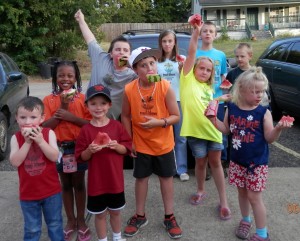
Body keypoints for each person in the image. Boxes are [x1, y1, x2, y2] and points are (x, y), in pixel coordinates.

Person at [206, 66, 293, 241]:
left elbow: (269, 138)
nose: (259, 95)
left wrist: (277, 129)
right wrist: (212, 120)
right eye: (254, 91)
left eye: (261, 91)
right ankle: (245, 220)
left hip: (257, 163)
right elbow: (226, 130)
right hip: (237, 161)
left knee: (254, 197)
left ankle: (262, 233)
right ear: (241, 90)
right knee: (242, 193)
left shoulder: (263, 112)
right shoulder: (232, 108)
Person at [121, 47, 182, 239]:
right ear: (135, 69)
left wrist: (160, 122)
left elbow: (176, 116)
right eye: (143, 65)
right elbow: (125, 115)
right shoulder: (130, 89)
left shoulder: (164, 86)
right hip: (141, 143)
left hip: (163, 143)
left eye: (152, 63)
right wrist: (129, 140)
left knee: (166, 179)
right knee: (141, 179)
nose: (149, 68)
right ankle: (140, 215)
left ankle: (169, 216)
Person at [180, 22, 231, 220]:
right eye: (201, 68)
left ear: (212, 74)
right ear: (193, 68)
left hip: (213, 130)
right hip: (195, 133)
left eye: (208, 70)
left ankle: (224, 201)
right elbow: (192, 51)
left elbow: (208, 104)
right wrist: (196, 32)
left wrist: (220, 99)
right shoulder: (187, 79)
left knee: (216, 163)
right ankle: (201, 191)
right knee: (200, 164)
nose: (204, 72)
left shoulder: (209, 89)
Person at [42, 61, 92, 241]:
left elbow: (90, 124)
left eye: (70, 76)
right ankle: (70, 220)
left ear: (76, 77)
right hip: (59, 149)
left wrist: (71, 117)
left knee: (79, 184)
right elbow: (45, 127)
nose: (66, 79)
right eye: (61, 75)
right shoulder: (49, 100)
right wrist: (62, 107)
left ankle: (81, 220)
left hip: (79, 147)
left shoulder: (82, 98)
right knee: (65, 185)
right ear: (55, 77)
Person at [75, 84, 132, 241]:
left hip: (115, 182)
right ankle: (102, 239)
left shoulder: (117, 126)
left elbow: (126, 149)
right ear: (86, 106)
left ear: (109, 105)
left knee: (115, 212)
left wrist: (117, 146)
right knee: (99, 215)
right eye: (93, 104)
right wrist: (89, 150)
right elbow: (81, 157)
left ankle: (117, 237)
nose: (98, 107)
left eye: (102, 103)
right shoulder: (86, 130)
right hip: (96, 183)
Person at [10, 96, 64, 241]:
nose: (28, 122)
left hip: (51, 192)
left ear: (42, 118)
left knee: (55, 224)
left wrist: (40, 141)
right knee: (32, 229)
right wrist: (27, 143)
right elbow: (15, 162)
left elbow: (54, 157)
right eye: (23, 117)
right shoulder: (16, 138)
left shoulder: (48, 133)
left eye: (33, 117)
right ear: (17, 118)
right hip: (28, 194)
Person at [74, 9, 137, 120]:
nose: (121, 52)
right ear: (111, 53)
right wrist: (81, 20)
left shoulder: (132, 75)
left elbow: (150, 79)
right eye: (117, 49)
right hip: (89, 116)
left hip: (115, 120)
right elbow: (90, 40)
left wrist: (130, 64)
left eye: (125, 50)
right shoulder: (102, 58)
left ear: (129, 54)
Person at [195, 21, 228, 178]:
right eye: (205, 31)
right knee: (201, 133)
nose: (207, 33)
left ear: (215, 35)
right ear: (200, 34)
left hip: (218, 99)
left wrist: (225, 89)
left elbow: (223, 76)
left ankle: (219, 163)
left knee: (219, 132)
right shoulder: (195, 53)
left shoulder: (220, 55)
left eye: (211, 31)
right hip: (200, 100)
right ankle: (204, 165)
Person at [157, 29, 189, 181]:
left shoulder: (182, 59)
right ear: (160, 43)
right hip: (161, 101)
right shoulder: (156, 61)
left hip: (178, 101)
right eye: (164, 41)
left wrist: (185, 71)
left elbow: (190, 81)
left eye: (170, 41)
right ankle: (163, 167)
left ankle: (181, 169)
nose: (167, 44)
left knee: (180, 137)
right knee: (162, 135)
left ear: (175, 42)